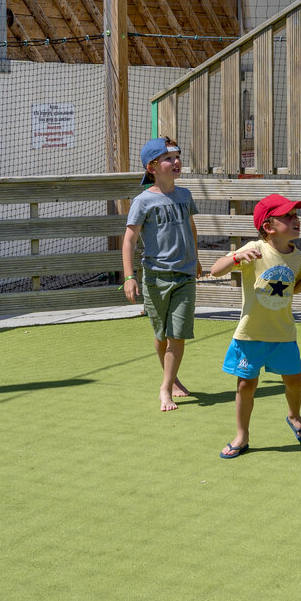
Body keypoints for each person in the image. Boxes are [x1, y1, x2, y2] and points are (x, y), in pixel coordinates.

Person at [210, 193, 301, 459]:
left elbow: (288, 291)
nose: (296, 220)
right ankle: (242, 436)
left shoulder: (297, 257)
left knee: (295, 381)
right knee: (246, 385)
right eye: (288, 216)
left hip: (283, 333)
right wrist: (237, 257)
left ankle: (294, 416)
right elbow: (215, 270)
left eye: (296, 215)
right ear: (268, 227)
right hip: (251, 334)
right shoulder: (254, 248)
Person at [122, 137, 201, 411]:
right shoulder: (142, 201)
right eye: (169, 158)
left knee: (176, 335)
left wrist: (197, 260)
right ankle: (173, 378)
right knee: (161, 336)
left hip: (185, 276)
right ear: (152, 167)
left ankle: (165, 388)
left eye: (177, 156)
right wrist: (129, 277)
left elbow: (191, 228)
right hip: (155, 277)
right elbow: (129, 240)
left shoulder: (185, 196)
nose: (176, 162)